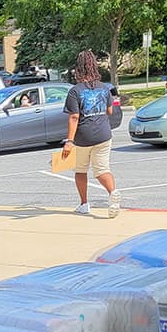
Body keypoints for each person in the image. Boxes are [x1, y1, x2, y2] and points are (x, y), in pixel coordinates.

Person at [62, 50, 121, 219]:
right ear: (95, 66)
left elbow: (74, 117)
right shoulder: (104, 88)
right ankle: (113, 193)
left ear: (78, 69)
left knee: (81, 170)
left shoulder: (75, 91)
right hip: (104, 135)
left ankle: (84, 204)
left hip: (83, 138)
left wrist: (69, 141)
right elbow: (109, 111)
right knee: (102, 169)